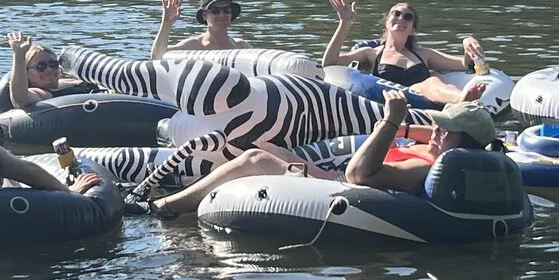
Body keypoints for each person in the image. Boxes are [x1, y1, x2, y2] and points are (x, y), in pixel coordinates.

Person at [141, 89, 498, 218]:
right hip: (337, 178)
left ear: (462, 140)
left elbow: (359, 176)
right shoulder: (438, 145)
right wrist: (400, 124)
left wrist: (389, 124)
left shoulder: (431, 168)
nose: (434, 130)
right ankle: (179, 197)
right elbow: (423, 130)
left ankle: (164, 207)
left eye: (443, 129)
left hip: (349, 191)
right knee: (264, 145)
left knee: (257, 161)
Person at [320, 0, 489, 103]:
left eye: (408, 17)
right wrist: (345, 23)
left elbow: (466, 65)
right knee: (430, 82)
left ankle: (461, 99)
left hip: (422, 104)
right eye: (396, 14)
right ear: (387, 22)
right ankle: (461, 100)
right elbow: (329, 63)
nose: (401, 18)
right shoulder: (371, 54)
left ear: (412, 29)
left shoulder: (424, 54)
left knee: (432, 82)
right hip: (388, 102)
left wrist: (467, 42)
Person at [0, 31, 83, 112]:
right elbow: (20, 100)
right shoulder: (40, 93)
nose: (49, 69)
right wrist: (19, 56)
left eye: (53, 64)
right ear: (26, 73)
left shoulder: (69, 80)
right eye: (41, 67)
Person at [151, 0, 247, 58]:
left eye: (226, 10)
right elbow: (157, 56)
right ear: (204, 15)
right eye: (215, 11)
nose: (222, 15)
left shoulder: (240, 46)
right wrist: (167, 23)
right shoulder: (194, 46)